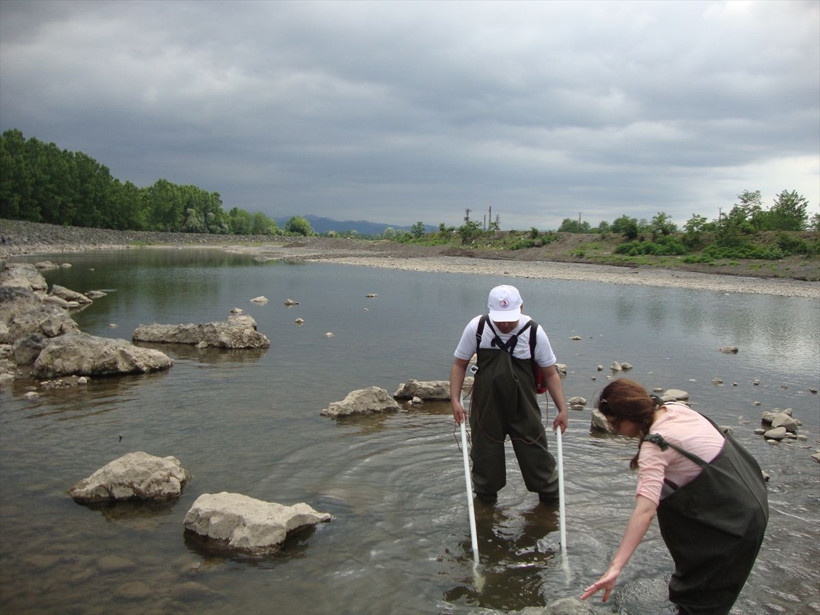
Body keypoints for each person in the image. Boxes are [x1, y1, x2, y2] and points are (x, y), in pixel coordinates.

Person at [581, 379, 768, 615]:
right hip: (752, 501)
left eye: (614, 424)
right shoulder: (674, 408)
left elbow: (645, 511)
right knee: (709, 593)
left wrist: (615, 567)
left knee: (700, 601)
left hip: (732, 527)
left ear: (627, 417)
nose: (614, 430)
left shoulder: (655, 446)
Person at [449, 284, 568, 505]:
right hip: (486, 410)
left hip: (523, 409)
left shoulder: (533, 332)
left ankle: (551, 504)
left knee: (538, 459)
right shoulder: (477, 328)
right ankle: (485, 510)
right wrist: (455, 400)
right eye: (500, 318)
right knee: (485, 462)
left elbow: (550, 373)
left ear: (521, 308)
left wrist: (562, 409)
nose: (504, 323)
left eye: (510, 318)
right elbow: (459, 365)